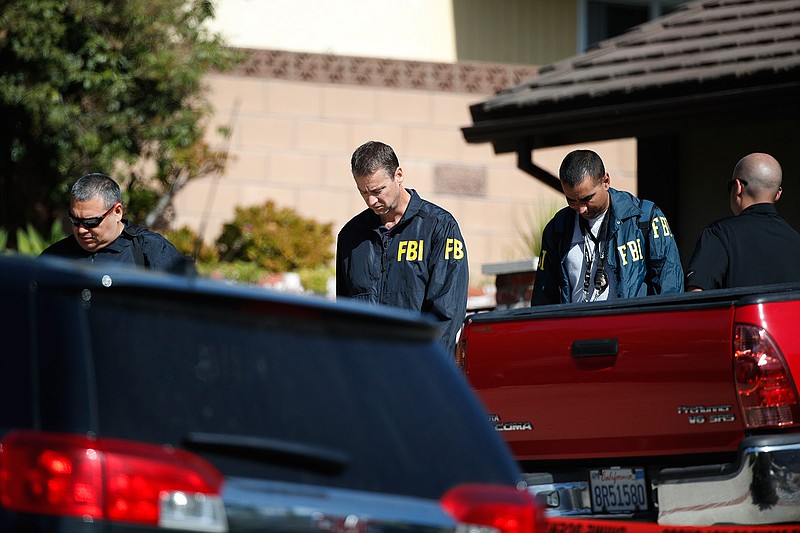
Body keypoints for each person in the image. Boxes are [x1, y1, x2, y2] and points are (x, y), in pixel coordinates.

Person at [336, 141, 469, 359]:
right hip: (365, 373)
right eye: (363, 192)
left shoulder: (439, 227)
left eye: (378, 190)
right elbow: (344, 313)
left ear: (398, 175)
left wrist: (425, 366)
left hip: (419, 370)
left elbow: (447, 313)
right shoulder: (351, 235)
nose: (371, 201)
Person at [531, 149, 683, 305]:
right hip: (577, 327)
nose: (581, 209)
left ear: (606, 181)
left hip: (632, 326)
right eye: (572, 200)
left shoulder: (645, 218)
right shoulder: (557, 229)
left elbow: (670, 287)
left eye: (587, 199)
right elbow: (543, 298)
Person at [685, 153, 800, 291]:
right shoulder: (796, 240)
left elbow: (697, 294)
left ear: (738, 187)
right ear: (778, 194)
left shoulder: (719, 233)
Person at [41, 172, 192, 274]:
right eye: (75, 220)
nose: (81, 230)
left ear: (118, 212)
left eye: (91, 222)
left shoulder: (151, 250)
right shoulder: (55, 257)